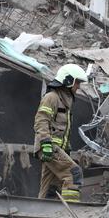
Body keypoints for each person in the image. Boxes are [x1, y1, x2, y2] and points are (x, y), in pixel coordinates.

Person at [33, 64, 88, 202]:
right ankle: (70, 215)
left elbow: (64, 130)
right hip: (49, 147)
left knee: (50, 187)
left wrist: (66, 150)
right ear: (68, 80)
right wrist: (46, 143)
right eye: (78, 82)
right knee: (74, 173)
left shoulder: (66, 102)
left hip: (55, 149)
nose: (79, 87)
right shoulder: (52, 97)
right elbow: (41, 120)